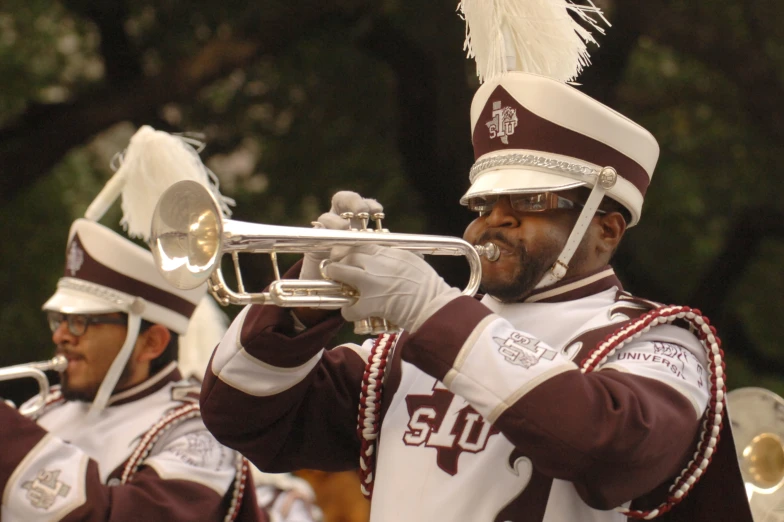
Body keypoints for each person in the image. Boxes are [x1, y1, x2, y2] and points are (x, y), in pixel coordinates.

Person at [199, 3, 752, 522]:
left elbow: (609, 450)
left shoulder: (659, 340)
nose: (496, 220)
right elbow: (242, 419)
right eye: (484, 204)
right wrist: (306, 299)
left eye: (531, 202)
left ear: (606, 229)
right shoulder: (408, 349)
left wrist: (432, 311)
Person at [0, 126, 321, 521]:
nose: (60, 335)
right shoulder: (41, 408)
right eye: (59, 319)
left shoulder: (200, 434)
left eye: (82, 323)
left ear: (151, 341)